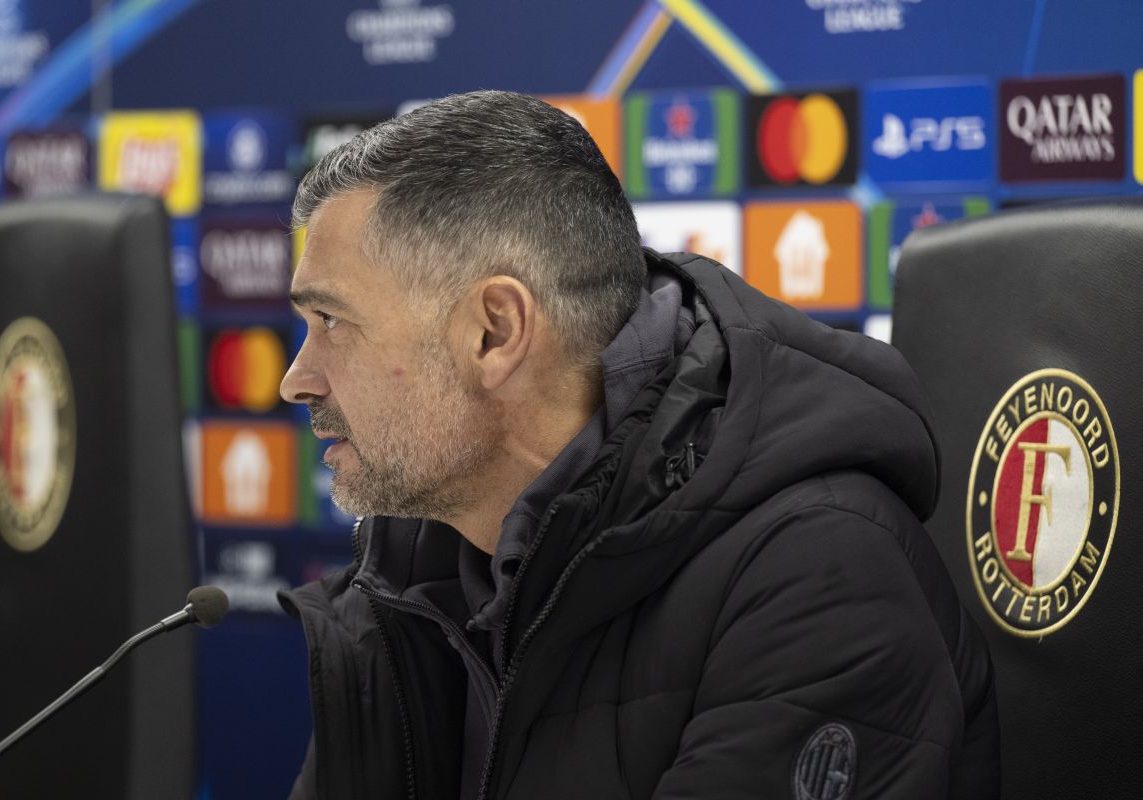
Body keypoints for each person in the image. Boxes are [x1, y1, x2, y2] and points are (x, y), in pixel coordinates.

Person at [277, 90, 999, 800]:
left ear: (495, 332)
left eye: (332, 322)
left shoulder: (820, 579)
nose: (295, 381)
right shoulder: (405, 579)